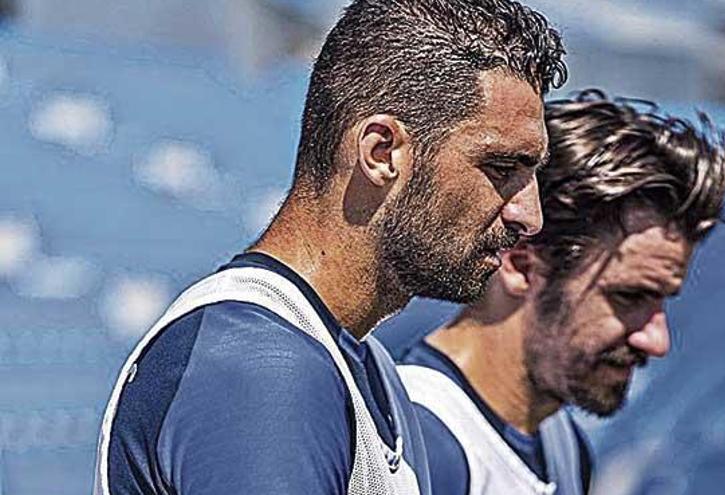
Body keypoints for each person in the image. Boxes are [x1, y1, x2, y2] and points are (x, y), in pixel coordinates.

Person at [94, 1, 567, 494]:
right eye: (500, 168)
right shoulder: (261, 367)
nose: (529, 216)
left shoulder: (366, 367)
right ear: (381, 153)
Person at [398, 90, 725, 495]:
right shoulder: (421, 448)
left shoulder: (561, 445)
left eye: (662, 300)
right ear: (522, 266)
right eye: (629, 297)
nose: (657, 340)